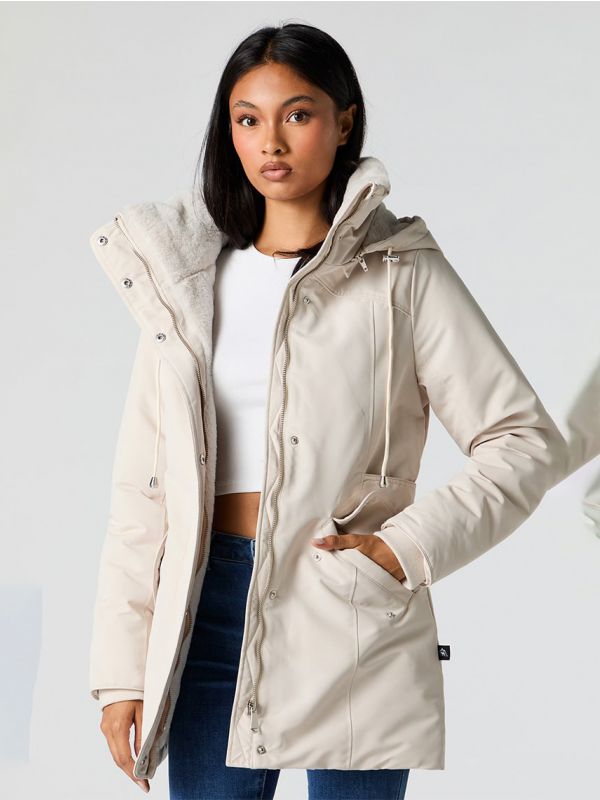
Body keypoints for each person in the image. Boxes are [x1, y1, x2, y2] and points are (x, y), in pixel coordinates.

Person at [88, 22, 568, 800]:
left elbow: (523, 439)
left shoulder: (400, 272)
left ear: (345, 123)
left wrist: (402, 548)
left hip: (348, 607)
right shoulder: (186, 288)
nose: (271, 141)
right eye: (248, 119)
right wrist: (119, 672)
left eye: (298, 114)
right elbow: (143, 491)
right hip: (206, 609)